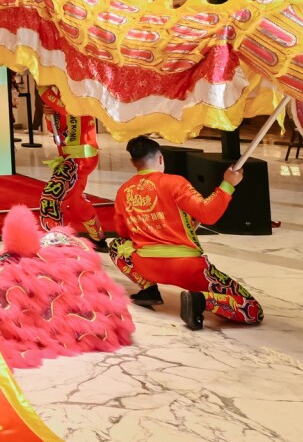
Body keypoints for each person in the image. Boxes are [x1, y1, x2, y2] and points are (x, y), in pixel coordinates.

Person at [110, 136, 262, 330]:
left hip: (146, 264)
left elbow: (123, 232)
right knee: (252, 309)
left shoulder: (124, 191)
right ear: (161, 159)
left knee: (116, 246)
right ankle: (201, 301)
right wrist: (228, 184)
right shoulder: (174, 183)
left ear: (133, 163)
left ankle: (148, 289)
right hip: (187, 268)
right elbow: (208, 214)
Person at [35, 87, 103, 245]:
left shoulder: (83, 90)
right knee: (74, 202)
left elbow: (71, 109)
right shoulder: (58, 94)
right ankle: (98, 237)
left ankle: (56, 238)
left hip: (82, 158)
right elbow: (56, 129)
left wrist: (45, 92)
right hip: (68, 158)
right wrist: (49, 114)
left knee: (53, 196)